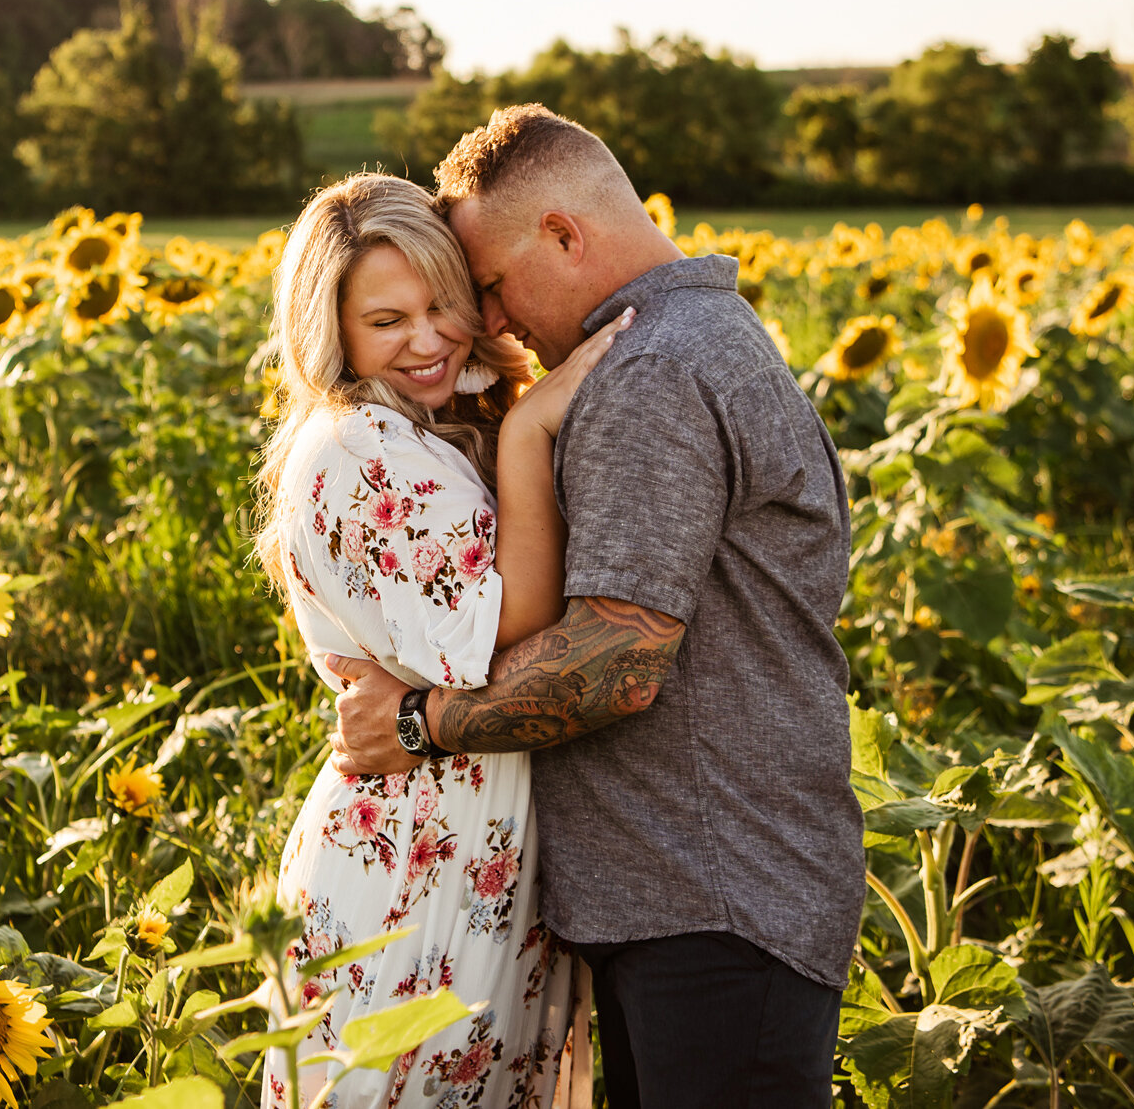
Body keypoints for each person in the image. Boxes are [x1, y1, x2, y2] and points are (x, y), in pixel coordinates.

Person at [325, 105, 864, 1109]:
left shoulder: (649, 371)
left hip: (707, 901)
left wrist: (416, 720)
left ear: (565, 236)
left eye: (487, 286)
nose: (488, 322)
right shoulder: (701, 335)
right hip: (713, 890)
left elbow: (614, 658)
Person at [252, 172, 631, 1108]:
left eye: (442, 304)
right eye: (387, 320)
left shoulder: (431, 421)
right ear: (329, 328)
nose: (426, 340)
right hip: (415, 864)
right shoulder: (354, 447)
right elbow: (504, 622)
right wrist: (534, 423)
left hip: (480, 849)